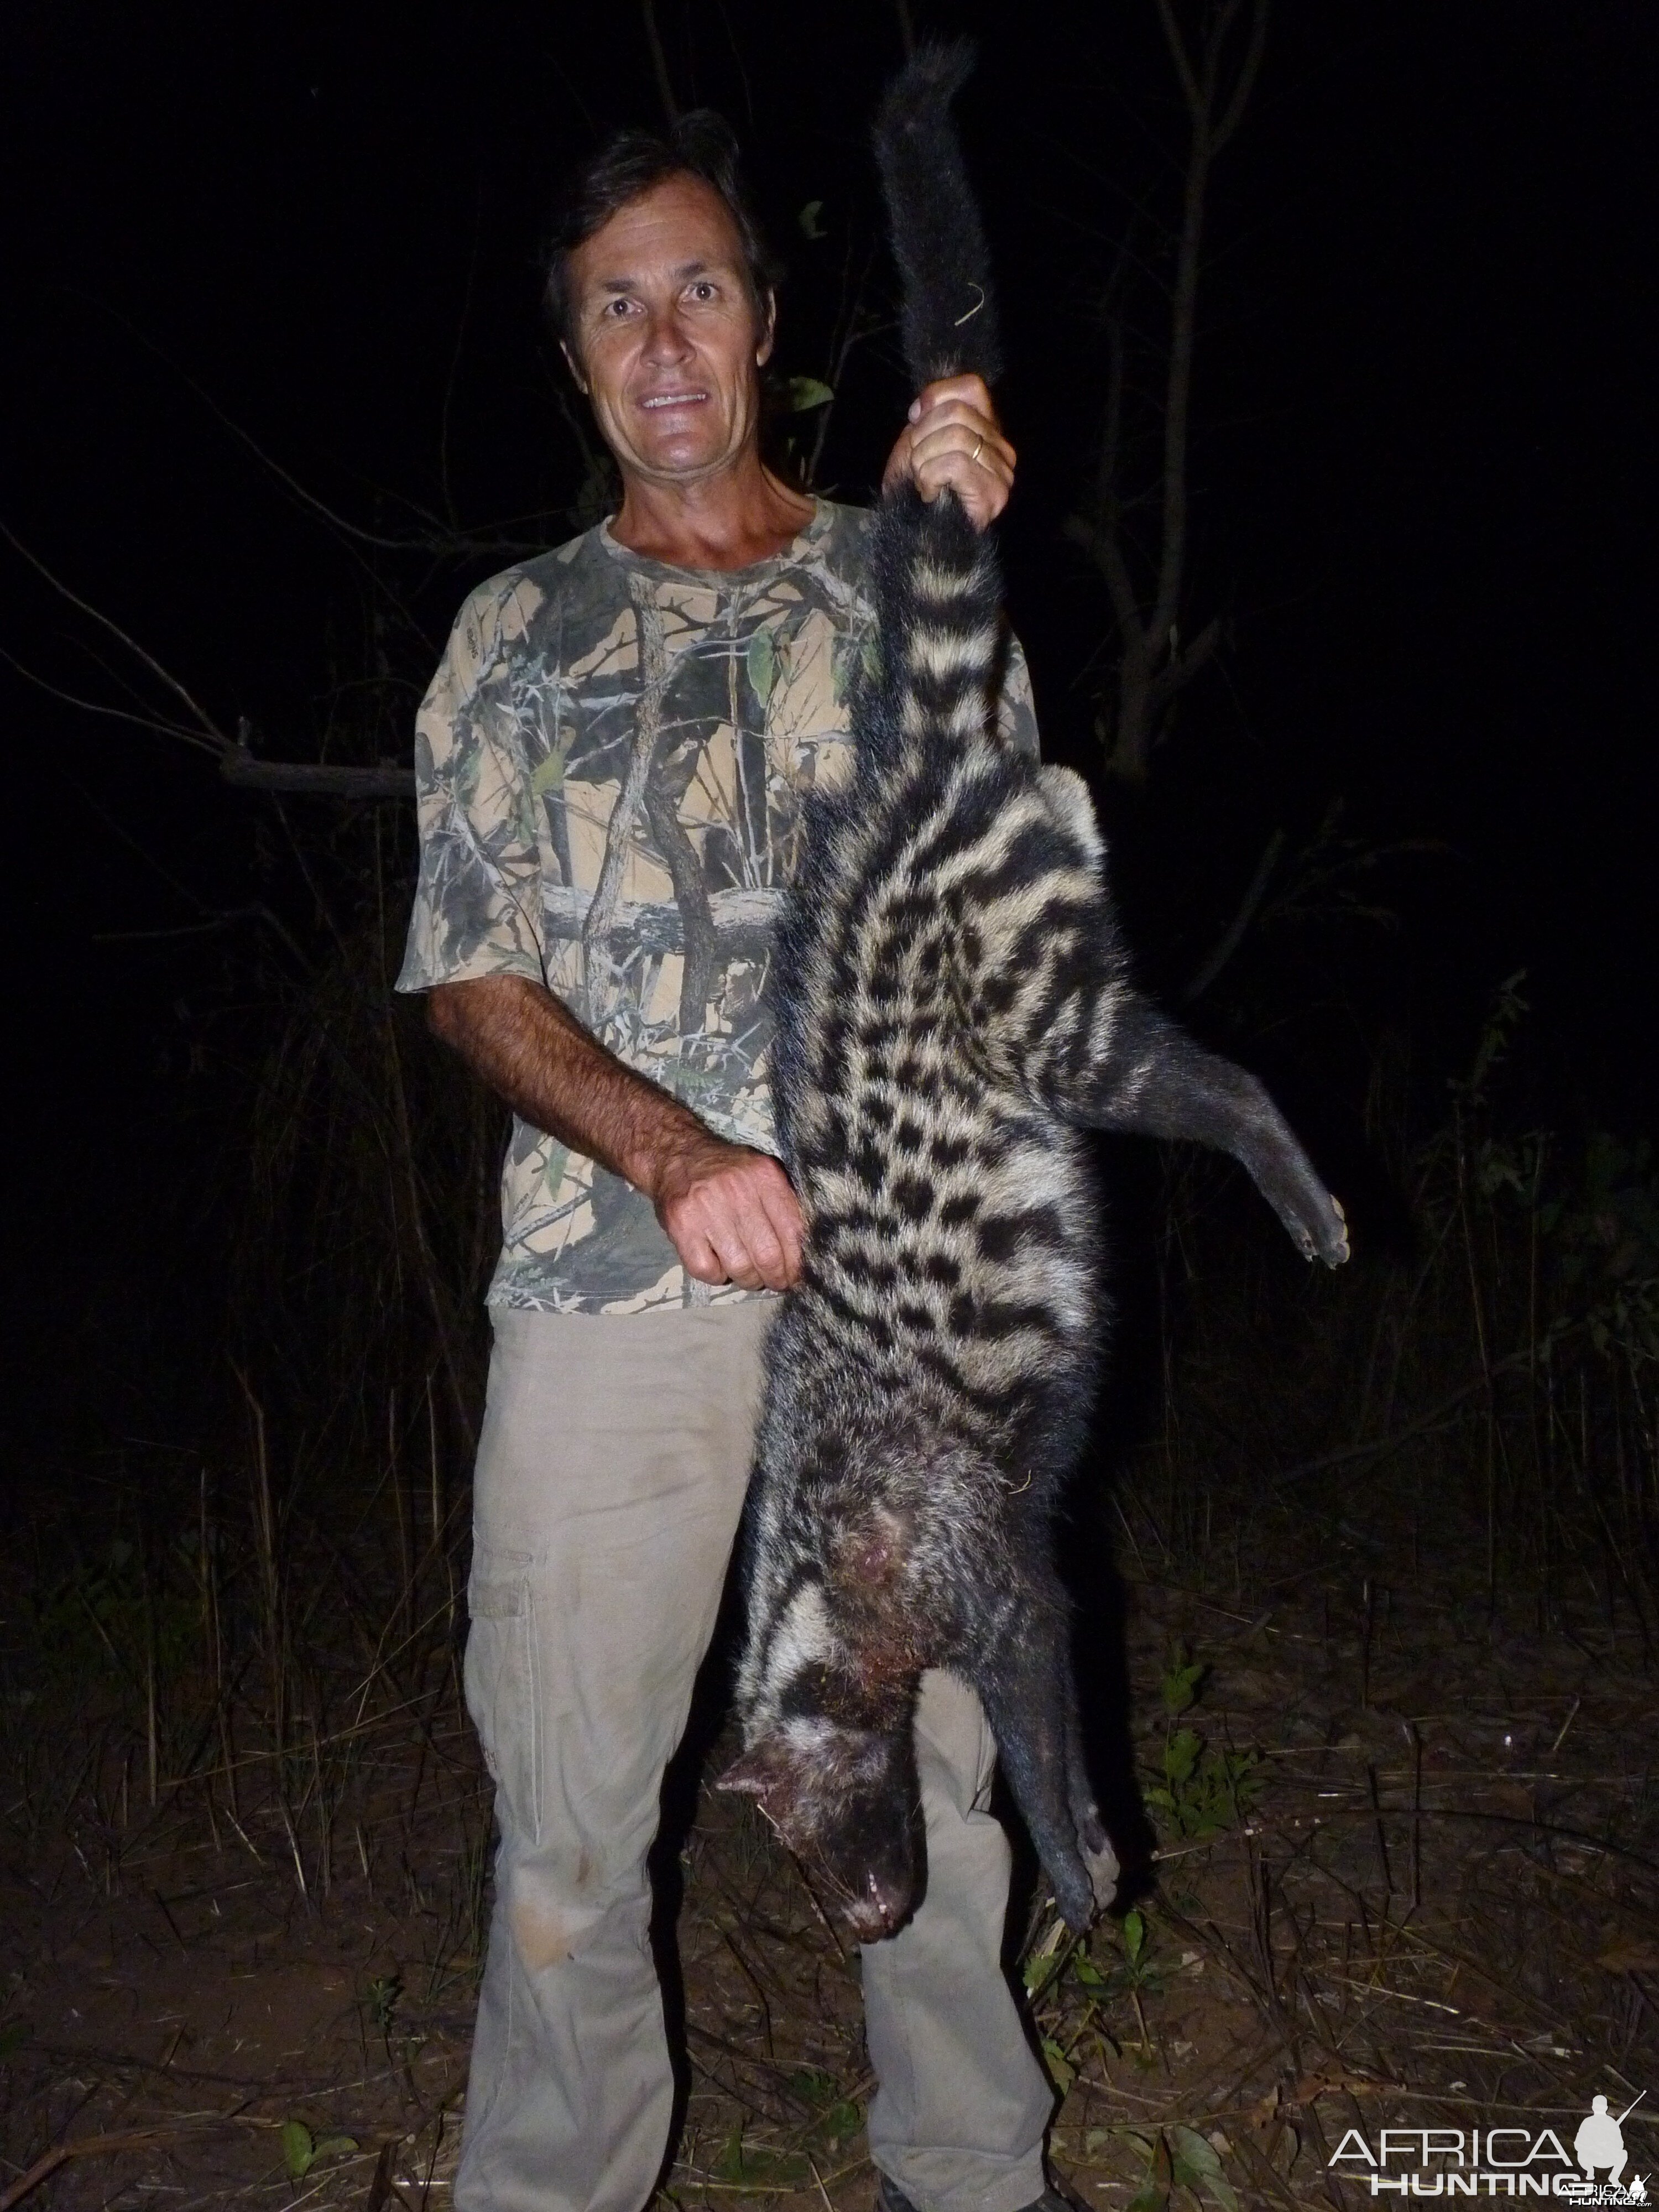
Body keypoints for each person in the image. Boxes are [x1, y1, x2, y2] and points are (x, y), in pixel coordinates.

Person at [399, 108, 1073, 2212]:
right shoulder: (511, 636)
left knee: (943, 1787)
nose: (664, 337)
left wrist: (943, 566)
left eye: (700, 286)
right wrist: (676, 1148)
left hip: (894, 1326)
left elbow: (1011, 904)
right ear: (579, 358)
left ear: (769, 326)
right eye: (618, 304)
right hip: (607, 1311)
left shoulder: (892, 583)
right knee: (573, 1830)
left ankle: (971, 2167)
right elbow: (465, 977)